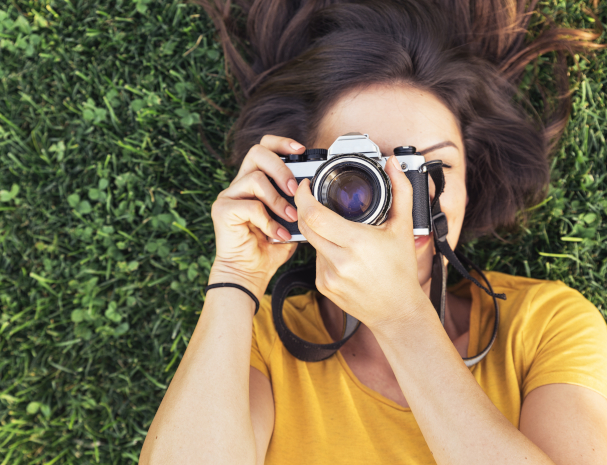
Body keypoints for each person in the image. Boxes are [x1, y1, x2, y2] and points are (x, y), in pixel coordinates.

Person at [139, 1, 607, 463]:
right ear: (301, 186)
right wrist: (235, 277)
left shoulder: (544, 325)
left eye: (429, 169)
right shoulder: (252, 343)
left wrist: (402, 319)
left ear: (469, 184)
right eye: (360, 175)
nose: (397, 201)